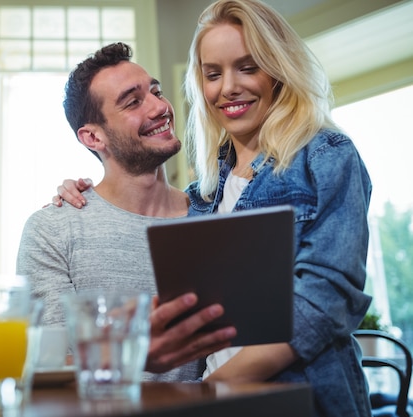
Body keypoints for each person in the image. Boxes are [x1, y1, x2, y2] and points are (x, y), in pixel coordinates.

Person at [52, 0, 373, 415]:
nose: (228, 88)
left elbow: (324, 302)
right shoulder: (204, 195)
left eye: (248, 66)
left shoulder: (326, 155)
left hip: (301, 401)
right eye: (213, 73)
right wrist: (79, 193)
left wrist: (208, 391)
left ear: (277, 69)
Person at [16, 42, 237, 382]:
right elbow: (50, 366)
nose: (160, 107)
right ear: (93, 137)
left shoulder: (216, 215)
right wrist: (133, 354)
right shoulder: (53, 229)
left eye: (156, 91)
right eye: (133, 102)